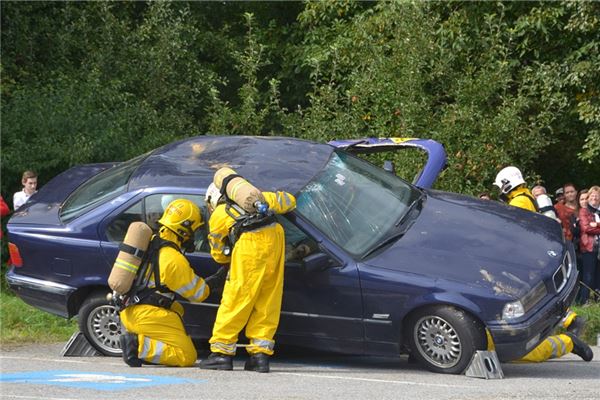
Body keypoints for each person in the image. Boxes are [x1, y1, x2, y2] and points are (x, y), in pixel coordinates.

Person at [493, 167, 593, 362]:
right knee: (541, 299)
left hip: (521, 262)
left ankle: (567, 336)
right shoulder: (527, 197)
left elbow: (510, 235)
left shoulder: (519, 201)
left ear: (507, 184)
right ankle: (570, 319)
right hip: (531, 260)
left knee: (531, 304)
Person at [199, 178, 296, 373]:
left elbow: (217, 252)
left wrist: (227, 263)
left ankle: (221, 354)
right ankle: (259, 357)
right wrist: (264, 198)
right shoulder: (261, 199)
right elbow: (290, 201)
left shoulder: (220, 214)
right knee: (268, 299)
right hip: (275, 239)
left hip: (250, 247)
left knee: (237, 299)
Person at [118, 199, 227, 367]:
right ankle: (137, 345)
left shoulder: (153, 241)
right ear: (184, 229)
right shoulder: (173, 259)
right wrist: (217, 279)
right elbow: (198, 294)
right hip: (147, 315)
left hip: (131, 310)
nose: (194, 236)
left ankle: (142, 337)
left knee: (178, 310)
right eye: (194, 231)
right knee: (186, 356)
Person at [577, 185, 600, 304]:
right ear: (588, 197)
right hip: (589, 247)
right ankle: (584, 301)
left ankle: (597, 299)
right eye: (592, 195)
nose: (594, 197)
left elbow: (593, 227)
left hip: (599, 247)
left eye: (597, 195)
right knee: (588, 275)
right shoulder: (584, 211)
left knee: (598, 275)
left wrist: (596, 225)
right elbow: (587, 229)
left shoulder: (598, 211)